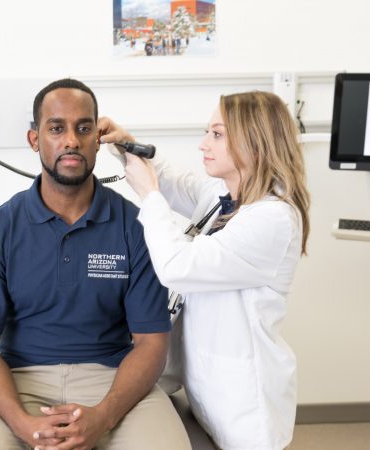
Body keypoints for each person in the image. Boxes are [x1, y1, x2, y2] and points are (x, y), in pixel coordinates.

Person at [0, 79, 192, 450]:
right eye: (56, 128)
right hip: (20, 381)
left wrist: (105, 416)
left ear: (99, 138)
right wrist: (21, 424)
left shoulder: (137, 228)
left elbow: (150, 342)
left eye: (84, 128)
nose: (71, 141)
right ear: (35, 140)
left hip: (113, 382)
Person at [99, 91, 310, 450]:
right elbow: (175, 182)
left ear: (253, 143)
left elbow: (177, 267)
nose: (202, 145)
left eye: (216, 134)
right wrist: (126, 144)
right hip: (208, 385)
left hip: (244, 401)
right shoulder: (225, 197)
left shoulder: (271, 219)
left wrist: (149, 197)